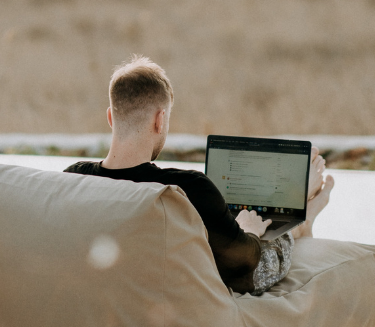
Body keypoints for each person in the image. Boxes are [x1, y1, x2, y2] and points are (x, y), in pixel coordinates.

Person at [65, 55, 335, 295]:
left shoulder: (73, 179)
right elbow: (246, 266)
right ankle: (303, 219)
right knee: (268, 248)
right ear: (160, 120)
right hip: (226, 268)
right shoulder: (187, 189)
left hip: (113, 287)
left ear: (111, 117)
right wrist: (250, 231)